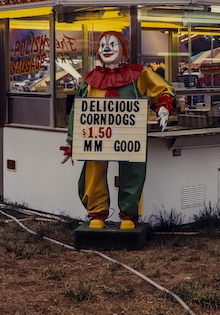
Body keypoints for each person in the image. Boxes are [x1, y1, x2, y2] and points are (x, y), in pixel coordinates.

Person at [62, 31, 175, 230]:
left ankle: (129, 215)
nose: (107, 49)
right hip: (97, 133)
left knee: (133, 170)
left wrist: (164, 106)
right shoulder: (91, 79)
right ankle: (96, 212)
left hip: (129, 132)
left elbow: (164, 89)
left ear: (123, 50)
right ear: (97, 51)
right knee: (94, 169)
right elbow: (77, 111)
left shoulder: (138, 73)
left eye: (113, 45)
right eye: (103, 45)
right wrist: (73, 141)